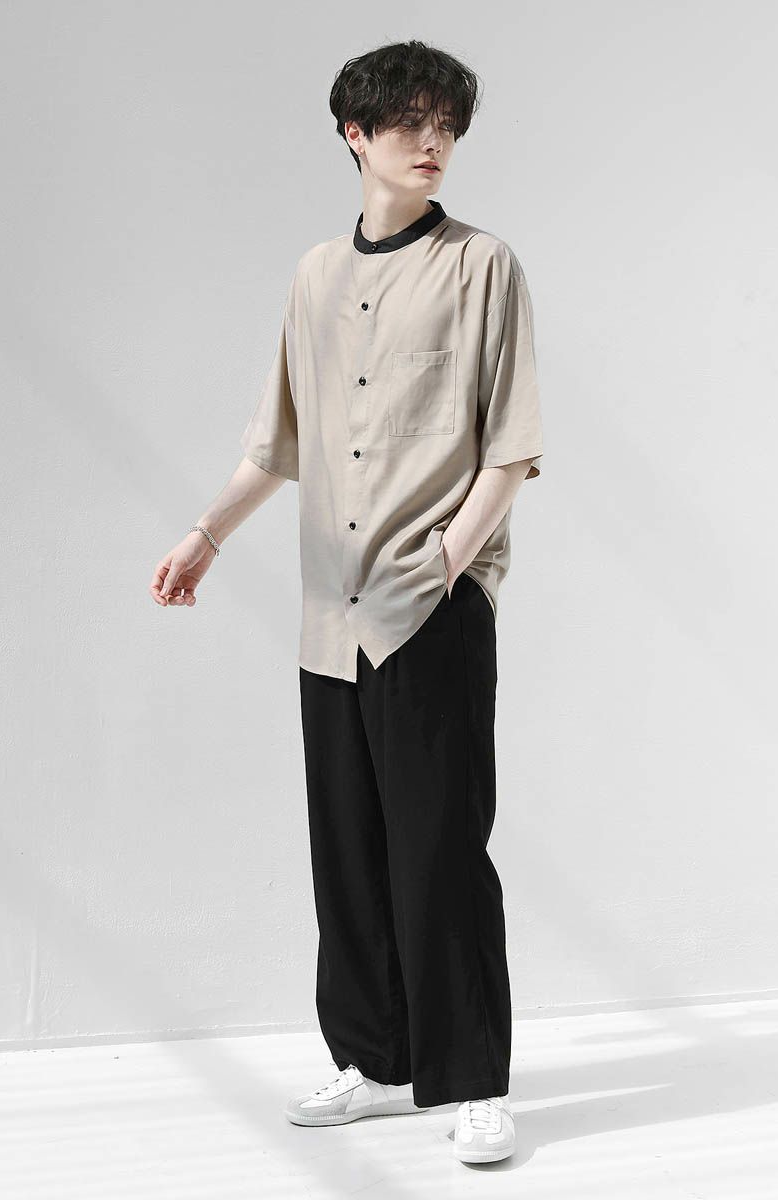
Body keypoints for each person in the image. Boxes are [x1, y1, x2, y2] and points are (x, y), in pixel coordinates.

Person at [149, 40, 543, 1167]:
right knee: (350, 851)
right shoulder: (315, 276)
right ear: (354, 135)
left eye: (447, 125)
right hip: (331, 612)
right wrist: (205, 534)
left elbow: (510, 450)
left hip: (429, 608)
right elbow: (277, 443)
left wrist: (449, 564)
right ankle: (374, 1061)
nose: (433, 143)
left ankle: (472, 1081)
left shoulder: (481, 266)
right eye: (410, 123)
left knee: (442, 851)